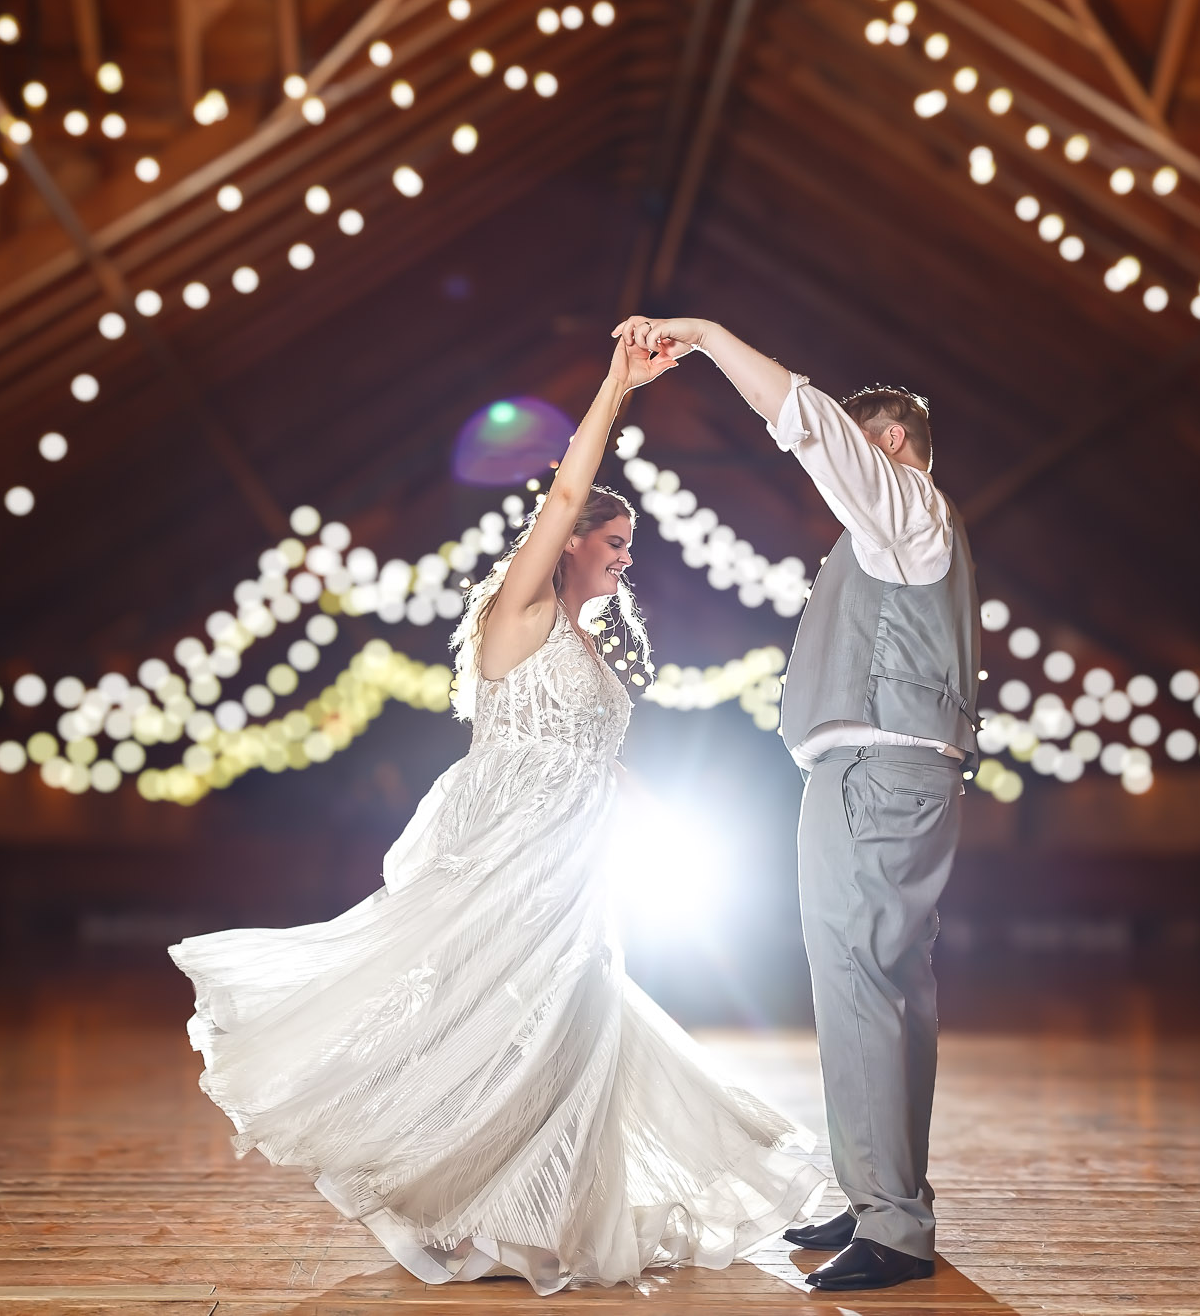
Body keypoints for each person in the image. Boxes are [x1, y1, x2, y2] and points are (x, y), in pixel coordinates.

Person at [169, 331, 825, 1295]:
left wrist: (658, 817)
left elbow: (600, 757)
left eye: (627, 546)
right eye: (614, 541)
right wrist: (616, 388)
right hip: (508, 852)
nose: (625, 557)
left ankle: (543, 1211)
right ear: (566, 543)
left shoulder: (591, 646)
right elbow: (566, 492)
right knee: (492, 1021)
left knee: (573, 1028)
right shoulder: (518, 614)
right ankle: (465, 1201)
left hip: (577, 865)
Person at [617, 314, 980, 1293]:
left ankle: (893, 1225)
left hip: (877, 775)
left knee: (862, 983)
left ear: (891, 445)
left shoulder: (904, 511)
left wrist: (705, 336)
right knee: (883, 991)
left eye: (859, 449)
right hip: (878, 774)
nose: (837, 473)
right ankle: (879, 1197)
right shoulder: (888, 538)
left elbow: (804, 420)